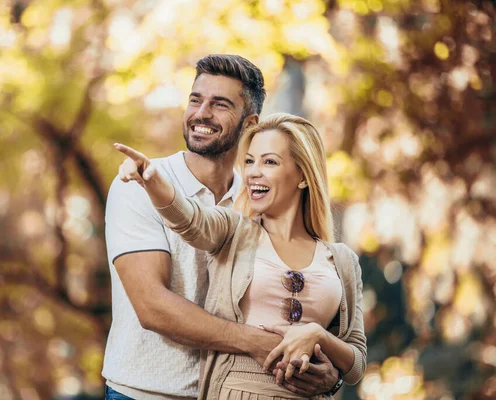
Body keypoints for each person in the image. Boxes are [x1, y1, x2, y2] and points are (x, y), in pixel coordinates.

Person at [103, 54, 342, 400]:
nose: (201, 114)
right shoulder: (140, 185)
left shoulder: (262, 195)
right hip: (145, 394)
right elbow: (152, 306)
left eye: (219, 105)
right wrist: (255, 342)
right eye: (196, 100)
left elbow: (301, 294)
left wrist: (329, 373)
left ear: (249, 123)